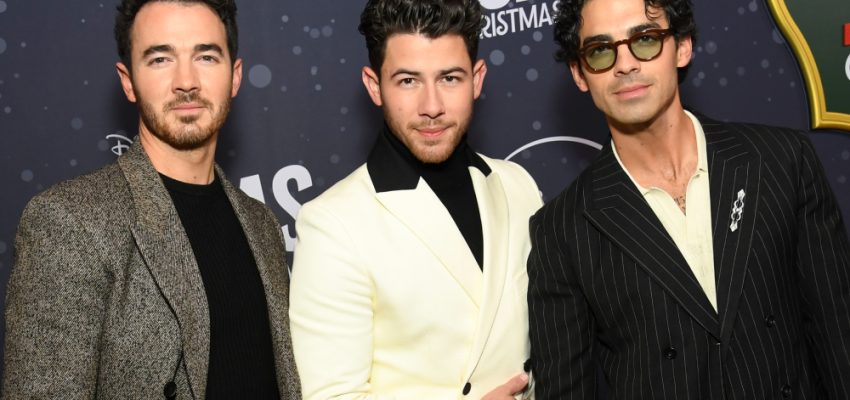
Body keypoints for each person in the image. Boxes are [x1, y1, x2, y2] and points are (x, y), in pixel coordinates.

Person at [527, 0, 850, 398]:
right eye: (600, 51)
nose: (625, 64)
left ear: (682, 46)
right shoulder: (561, 231)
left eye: (645, 40)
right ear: (580, 73)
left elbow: (838, 335)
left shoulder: (782, 161)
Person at [2, 1, 301, 398]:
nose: (186, 81)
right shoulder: (70, 221)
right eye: (160, 59)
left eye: (206, 56)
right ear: (128, 81)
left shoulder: (260, 222)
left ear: (235, 76)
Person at [288, 0, 542, 398]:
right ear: (375, 86)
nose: (432, 107)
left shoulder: (518, 186)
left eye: (450, 79)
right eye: (408, 81)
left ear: (477, 79)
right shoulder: (333, 224)